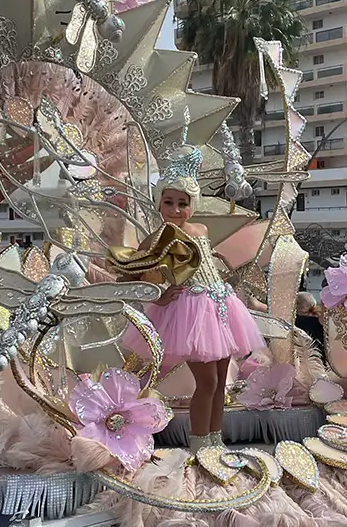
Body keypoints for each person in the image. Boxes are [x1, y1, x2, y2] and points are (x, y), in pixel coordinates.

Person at [108, 144, 265, 453]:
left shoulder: (201, 229)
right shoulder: (156, 238)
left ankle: (215, 439)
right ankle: (199, 443)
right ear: (159, 204)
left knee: (221, 381)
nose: (175, 210)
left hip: (221, 306)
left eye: (182, 203)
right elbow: (133, 274)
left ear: (192, 205)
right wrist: (161, 296)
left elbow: (205, 260)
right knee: (206, 382)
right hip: (190, 314)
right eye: (169, 202)